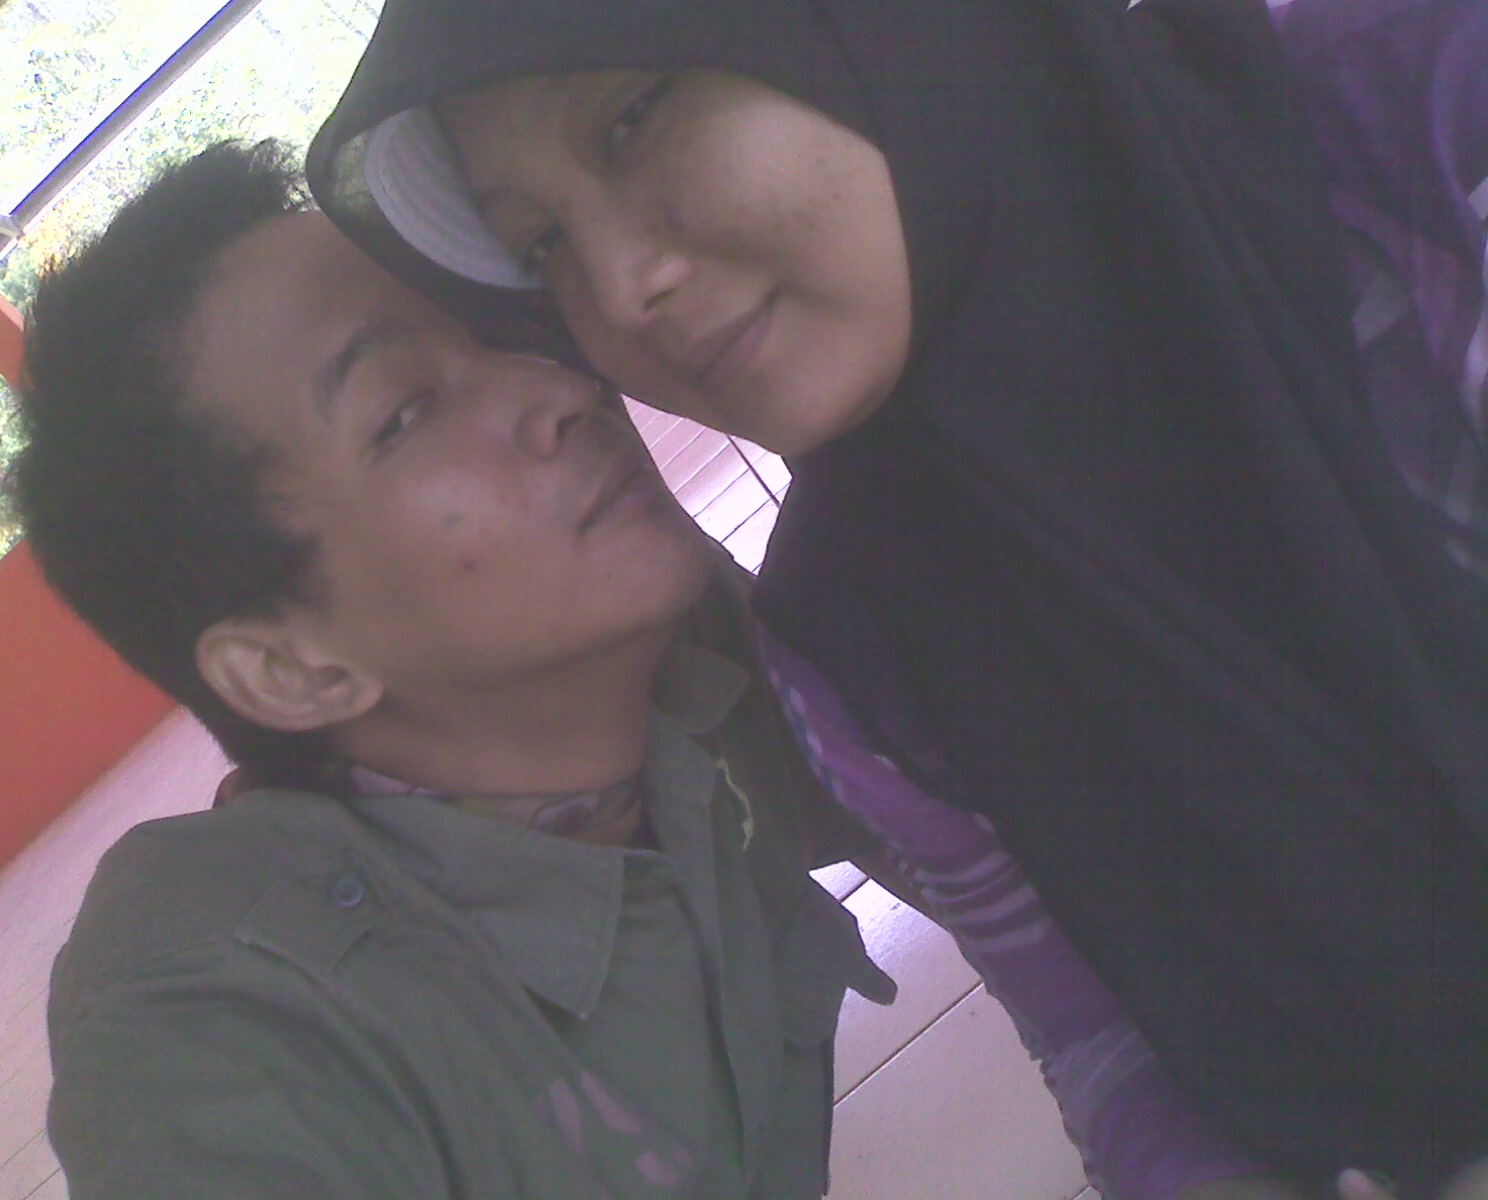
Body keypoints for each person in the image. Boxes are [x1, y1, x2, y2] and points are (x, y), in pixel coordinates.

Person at [304, 0, 1488, 1195]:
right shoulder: (853, 640)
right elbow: (1100, 1039)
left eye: (631, 119)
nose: (617, 293)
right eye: (542, 247)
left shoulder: (1412, 131)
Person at [13, 140, 903, 1200]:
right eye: (402, 412)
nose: (562, 387)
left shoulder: (677, 653)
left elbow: (964, 832)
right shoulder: (221, 1022)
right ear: (291, 668)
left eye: (490, 331)